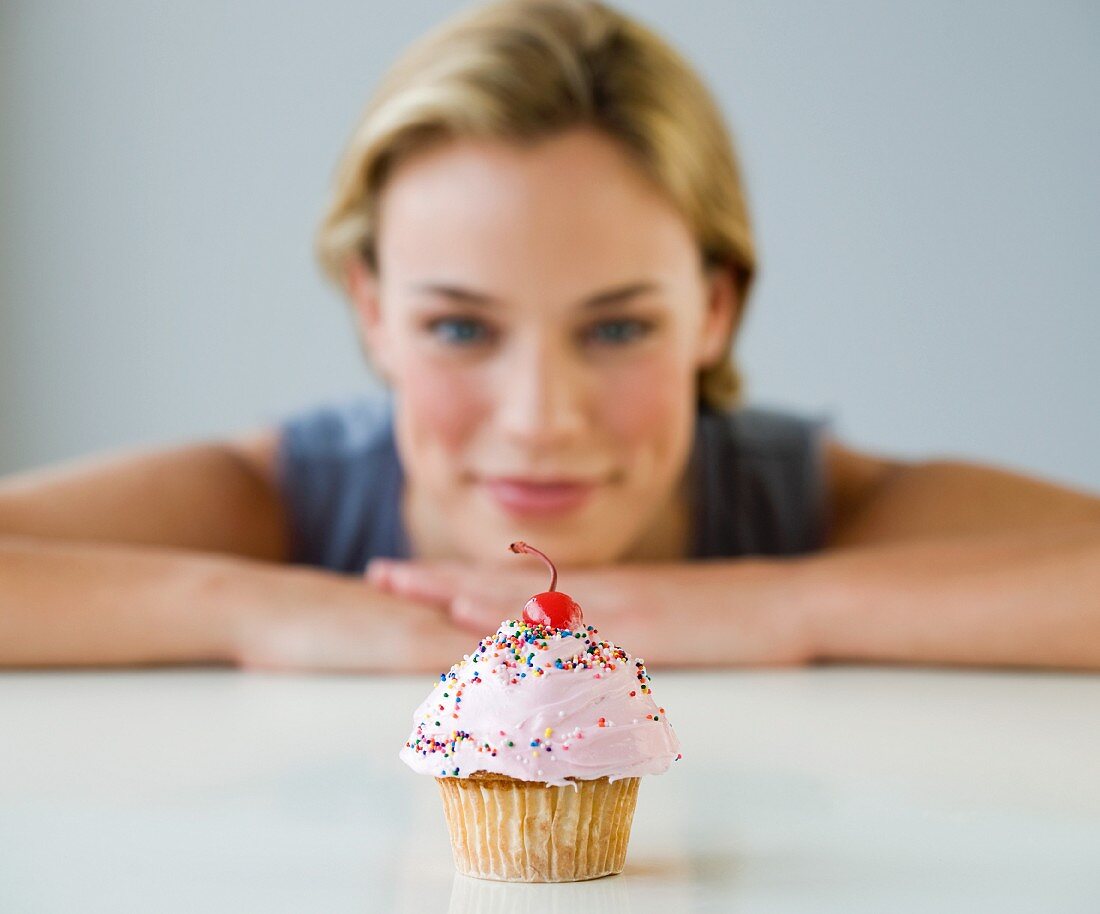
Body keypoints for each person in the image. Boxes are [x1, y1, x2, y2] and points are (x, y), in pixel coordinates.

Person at [1, 0, 1098, 673]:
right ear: (371, 310)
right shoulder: (276, 503)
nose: (538, 418)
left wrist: (779, 604)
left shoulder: (809, 510)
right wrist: (243, 607)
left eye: (617, 325)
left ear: (714, 308)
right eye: (459, 326)